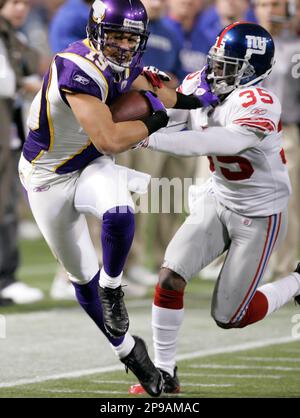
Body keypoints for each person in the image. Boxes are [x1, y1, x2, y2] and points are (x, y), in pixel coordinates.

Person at [18, 0, 218, 396]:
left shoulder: (127, 64)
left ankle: (114, 288)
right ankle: (129, 352)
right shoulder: (78, 68)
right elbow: (109, 137)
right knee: (80, 278)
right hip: (47, 178)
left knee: (120, 211)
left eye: (131, 37)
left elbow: (163, 90)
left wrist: (204, 100)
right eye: (116, 36)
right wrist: (155, 118)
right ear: (96, 33)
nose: (124, 45)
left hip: (89, 165)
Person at [129, 21, 300, 395]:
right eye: (217, 61)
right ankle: (164, 374)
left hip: (258, 214)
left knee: (230, 316)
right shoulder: (198, 82)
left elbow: (209, 141)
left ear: (252, 71)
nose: (216, 71)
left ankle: (298, 281)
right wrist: (141, 109)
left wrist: (144, 140)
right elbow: (171, 125)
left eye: (229, 65)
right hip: (219, 196)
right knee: (170, 278)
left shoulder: (261, 103)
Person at [0, 0, 45, 304]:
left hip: (9, 129)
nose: (21, 9)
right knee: (4, 204)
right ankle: (5, 278)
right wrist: (26, 83)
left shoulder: (14, 37)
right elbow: (4, 82)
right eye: (13, 2)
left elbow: (37, 61)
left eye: (25, 4)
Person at [254, 0, 300, 279]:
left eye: (274, 4)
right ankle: (247, 263)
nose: (268, 10)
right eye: (262, 4)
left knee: (287, 202)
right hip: (245, 133)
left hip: (285, 133)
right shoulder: (242, 43)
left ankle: (284, 266)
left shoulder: (296, 49)